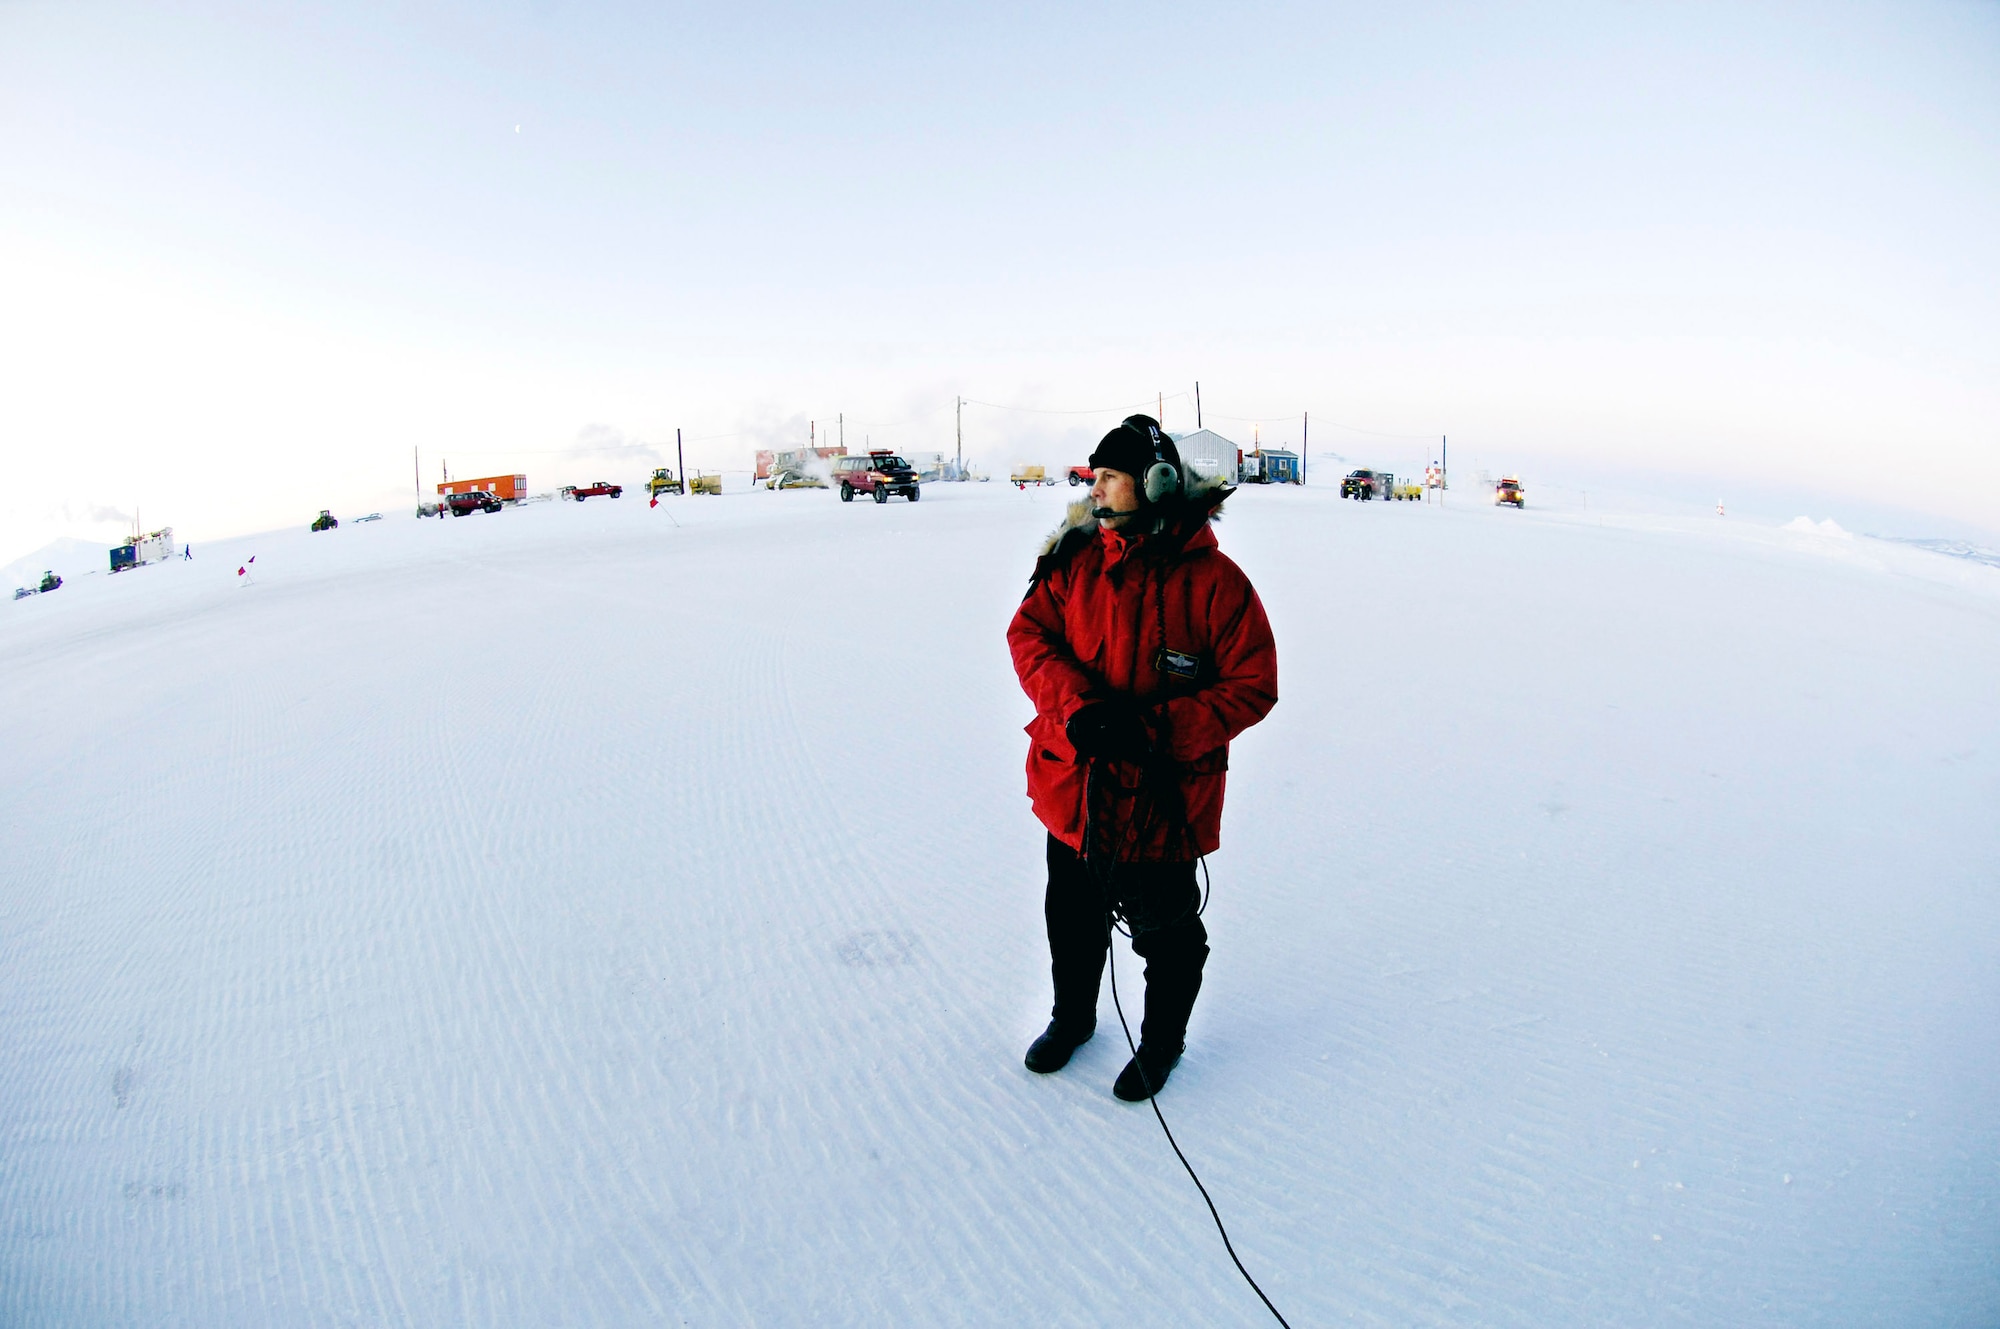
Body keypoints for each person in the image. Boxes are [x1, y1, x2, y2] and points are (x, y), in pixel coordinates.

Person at [1007, 415, 1278, 1101]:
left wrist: (1157, 731)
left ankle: (1162, 1042)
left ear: (1155, 483)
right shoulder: (1073, 561)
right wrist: (1080, 711)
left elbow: (1252, 684)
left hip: (1161, 799)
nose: (1092, 489)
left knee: (1166, 935)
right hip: (1077, 787)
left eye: (1107, 477)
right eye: (1092, 476)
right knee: (1072, 918)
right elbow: (1030, 637)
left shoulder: (1217, 581)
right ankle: (1072, 1019)